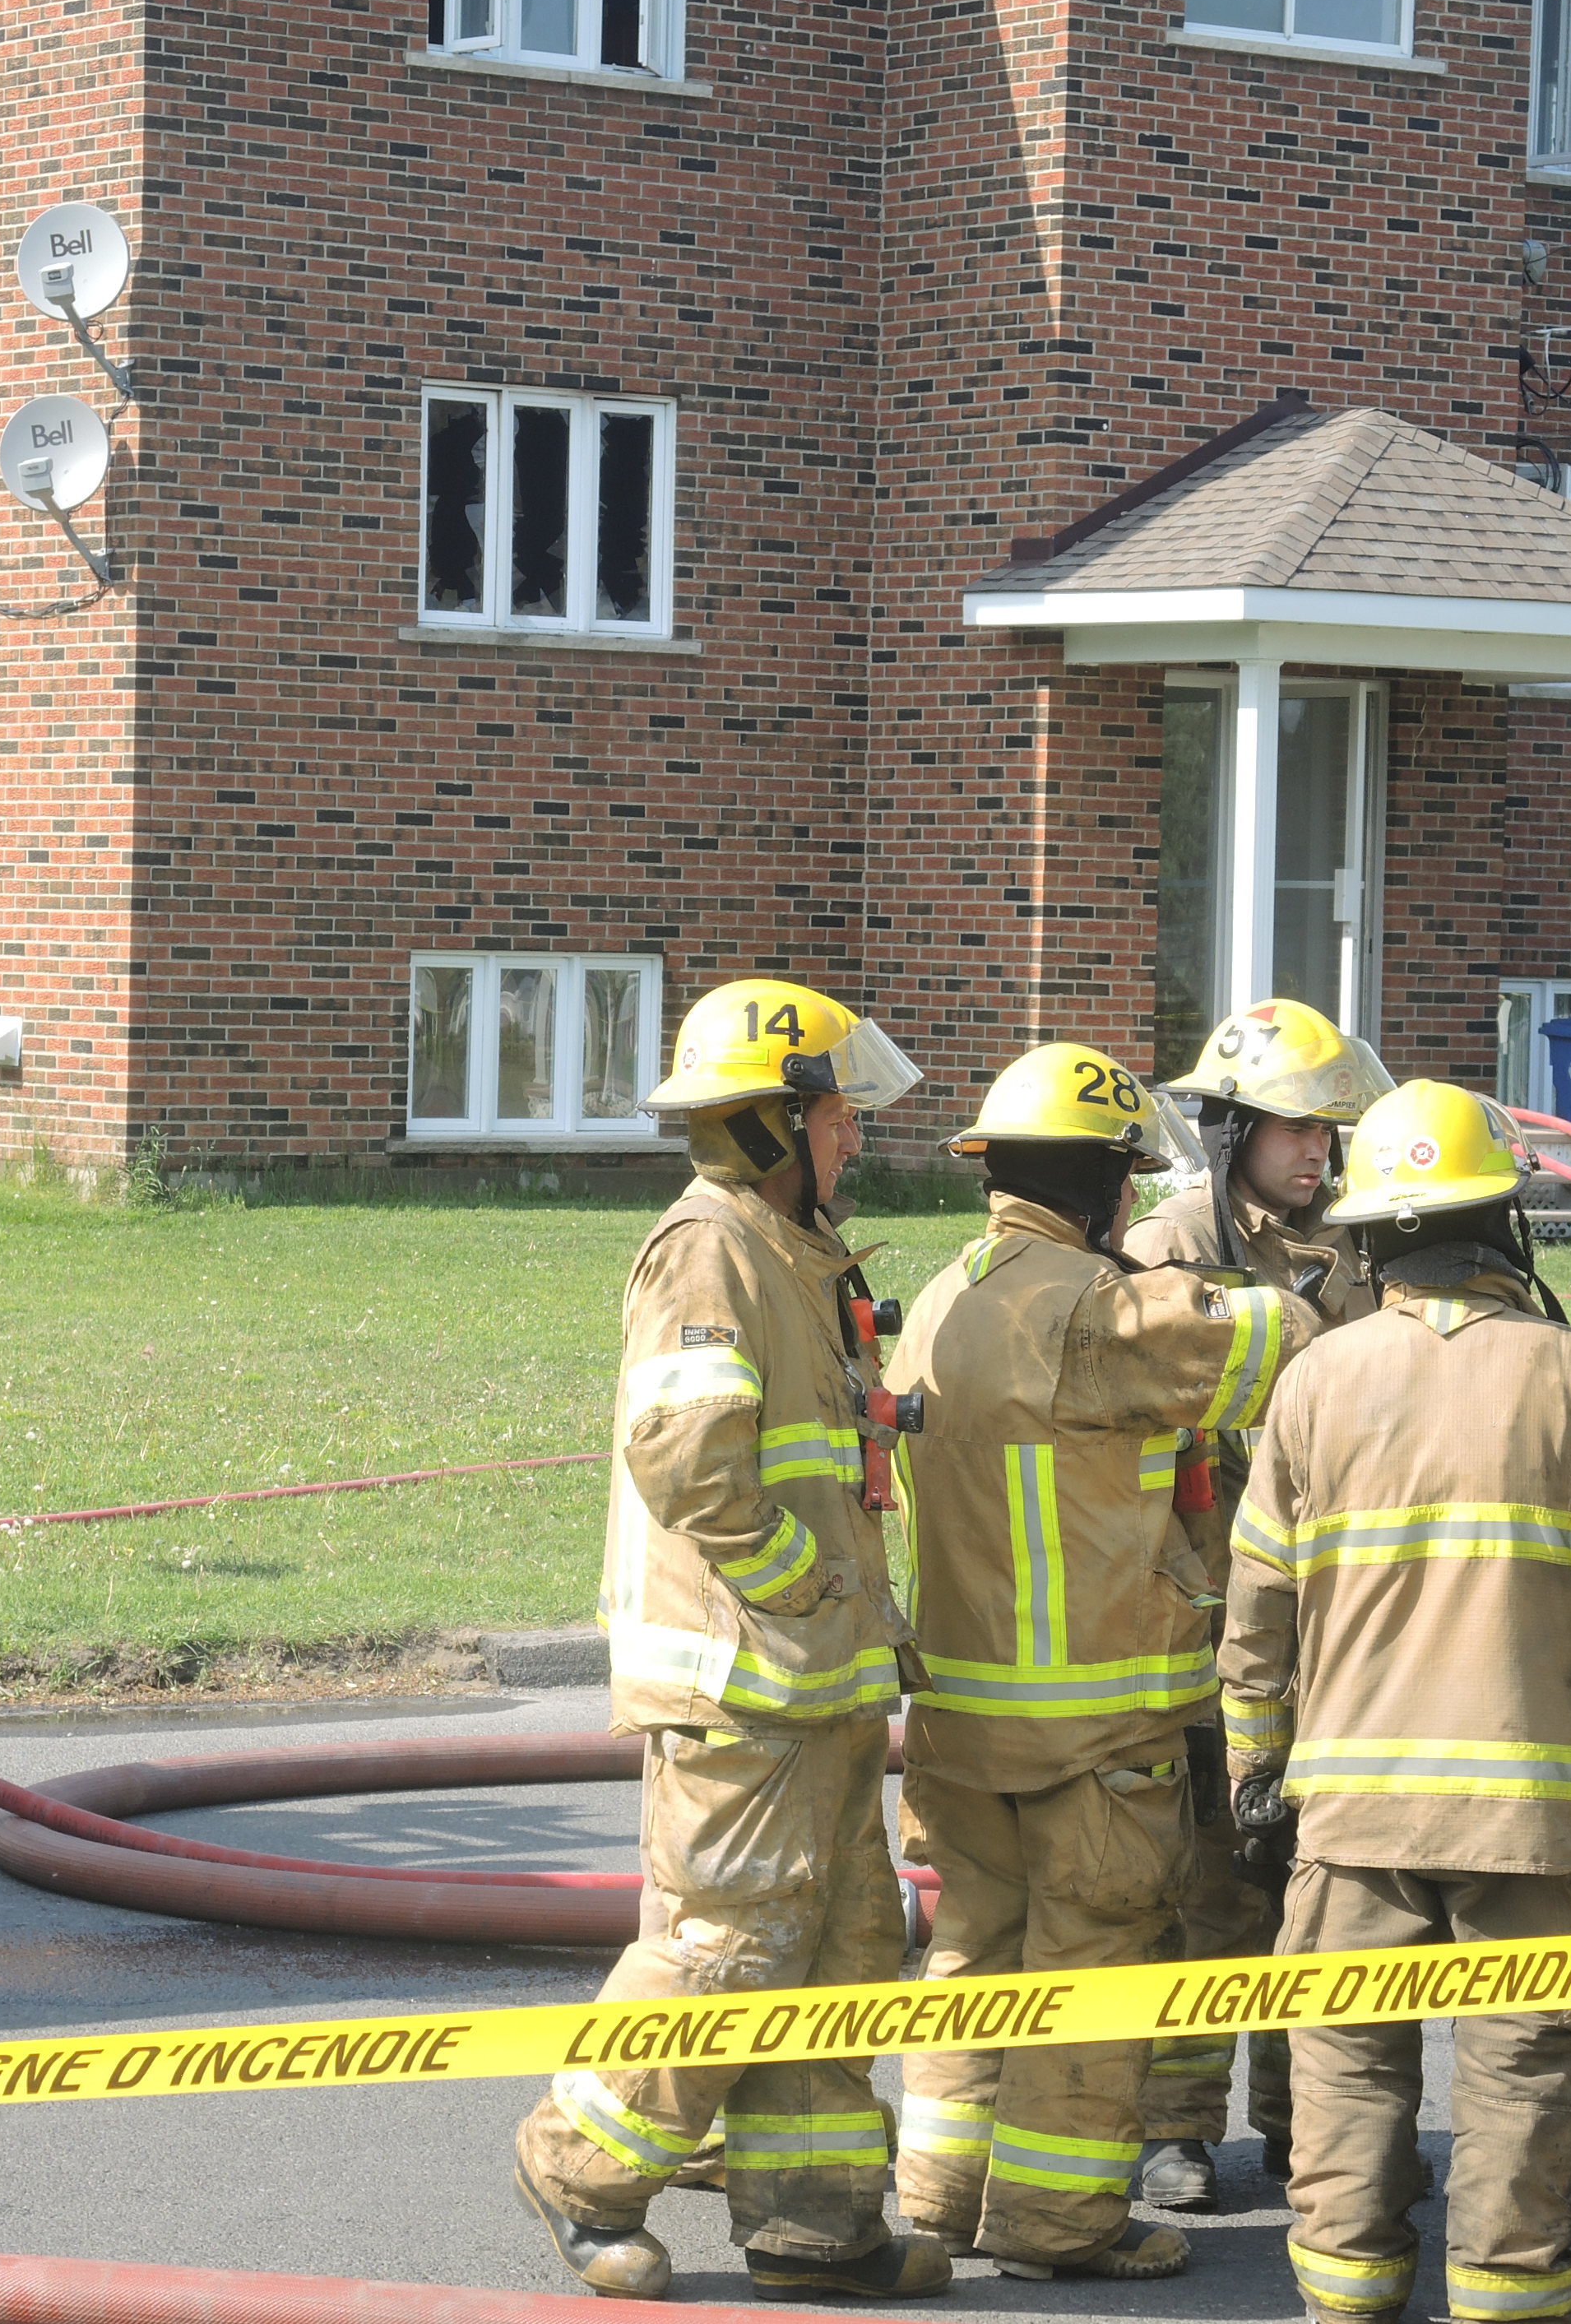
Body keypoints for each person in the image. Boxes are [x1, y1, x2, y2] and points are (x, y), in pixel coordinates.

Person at [1221, 1079, 1571, 2324]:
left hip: (1349, 1812)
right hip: (1534, 1817)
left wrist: (1253, 1774)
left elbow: (1258, 1614)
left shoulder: (1315, 1385)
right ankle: (1508, 2292)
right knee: (1527, 2061)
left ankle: (1347, 2293)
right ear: (1506, 1226)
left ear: (1373, 1235)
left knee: (1346, 2059)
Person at [512, 977, 954, 2305]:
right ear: (771, 1123)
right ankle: (576, 2167)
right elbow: (690, 1457)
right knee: (731, 1942)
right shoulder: (708, 1248)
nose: (853, 1140)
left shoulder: (790, 1249)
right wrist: (802, 1583)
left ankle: (815, 2220)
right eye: (834, 1118)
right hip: (739, 1673)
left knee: (843, 1940)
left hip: (806, 1672)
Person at [883, 1041, 1314, 2285]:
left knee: (975, 1954)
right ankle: (1061, 2221)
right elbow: (1276, 1347)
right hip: (1092, 1726)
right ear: (1101, 1188)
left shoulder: (950, 1295)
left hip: (962, 1723)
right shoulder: (1092, 1308)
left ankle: (945, 2192)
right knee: (1089, 1966)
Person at [1119, 997, 1392, 2207]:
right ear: (1227, 1128)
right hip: (1213, 1618)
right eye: (1294, 1131)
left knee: (1318, 1891)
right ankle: (1178, 2127)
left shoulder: (1359, 1250)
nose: (1318, 1153)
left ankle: (1301, 2129)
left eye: (1330, 1133)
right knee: (1210, 1893)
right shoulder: (1168, 1252)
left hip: (1338, 1633)